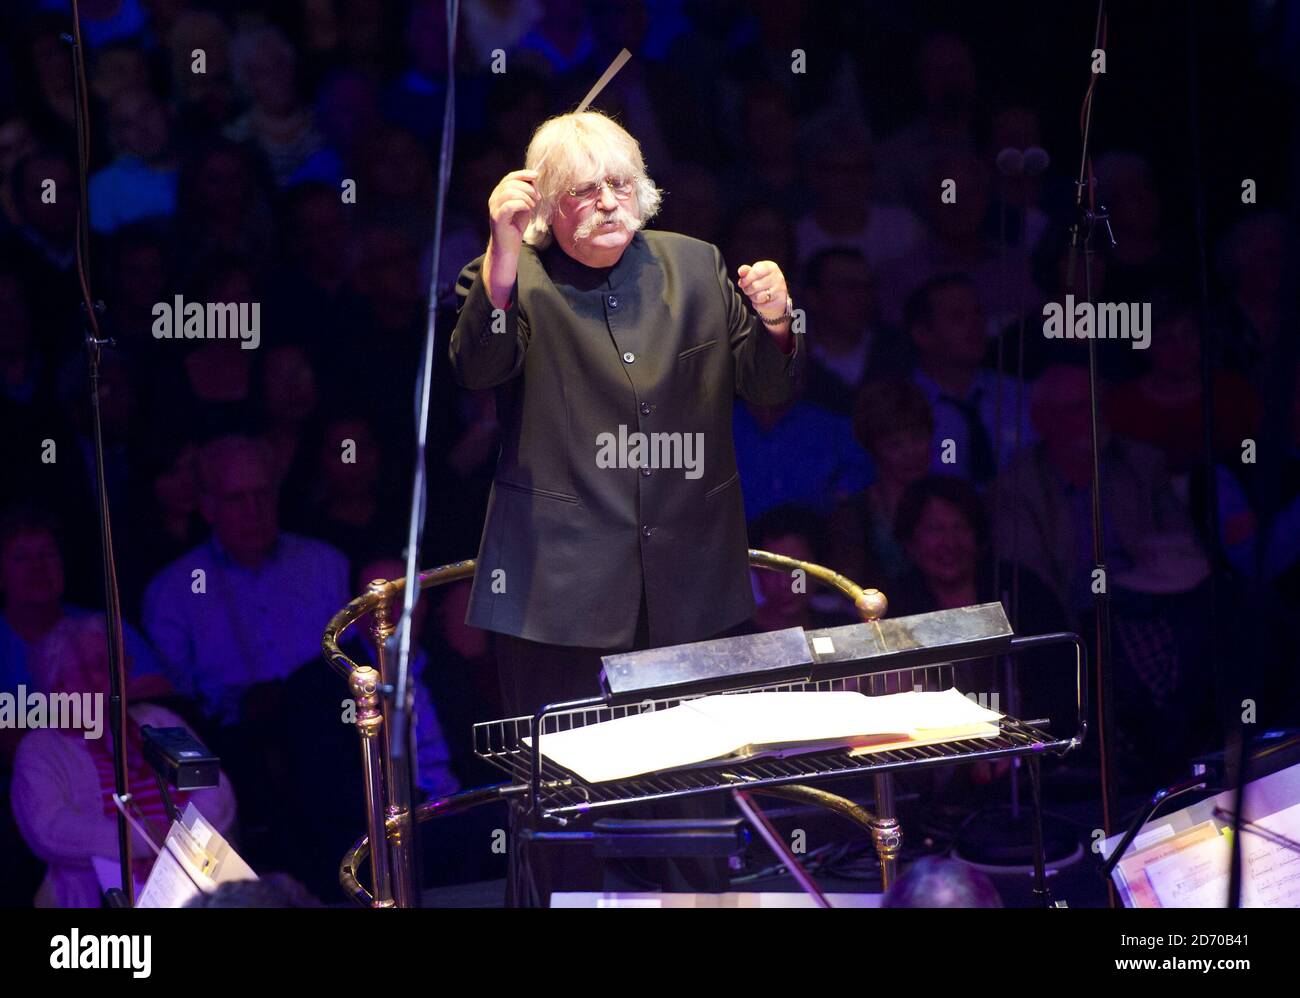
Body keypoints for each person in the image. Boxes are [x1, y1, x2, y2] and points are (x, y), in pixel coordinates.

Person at [448, 109, 801, 905]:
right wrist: (503, 256)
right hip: (557, 595)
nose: (608, 202)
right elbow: (477, 367)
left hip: (693, 587)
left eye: (619, 184)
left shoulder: (697, 266)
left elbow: (772, 387)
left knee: (694, 818)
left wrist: (778, 321)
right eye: (582, 191)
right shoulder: (508, 274)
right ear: (541, 208)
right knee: (557, 825)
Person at [10, 614, 236, 907]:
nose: (114, 676)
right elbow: (52, 830)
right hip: (103, 895)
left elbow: (217, 793)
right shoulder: (41, 748)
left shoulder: (159, 721)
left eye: (118, 664)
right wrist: (144, 844)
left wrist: (172, 849)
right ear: (57, 684)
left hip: (198, 870)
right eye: (96, 668)